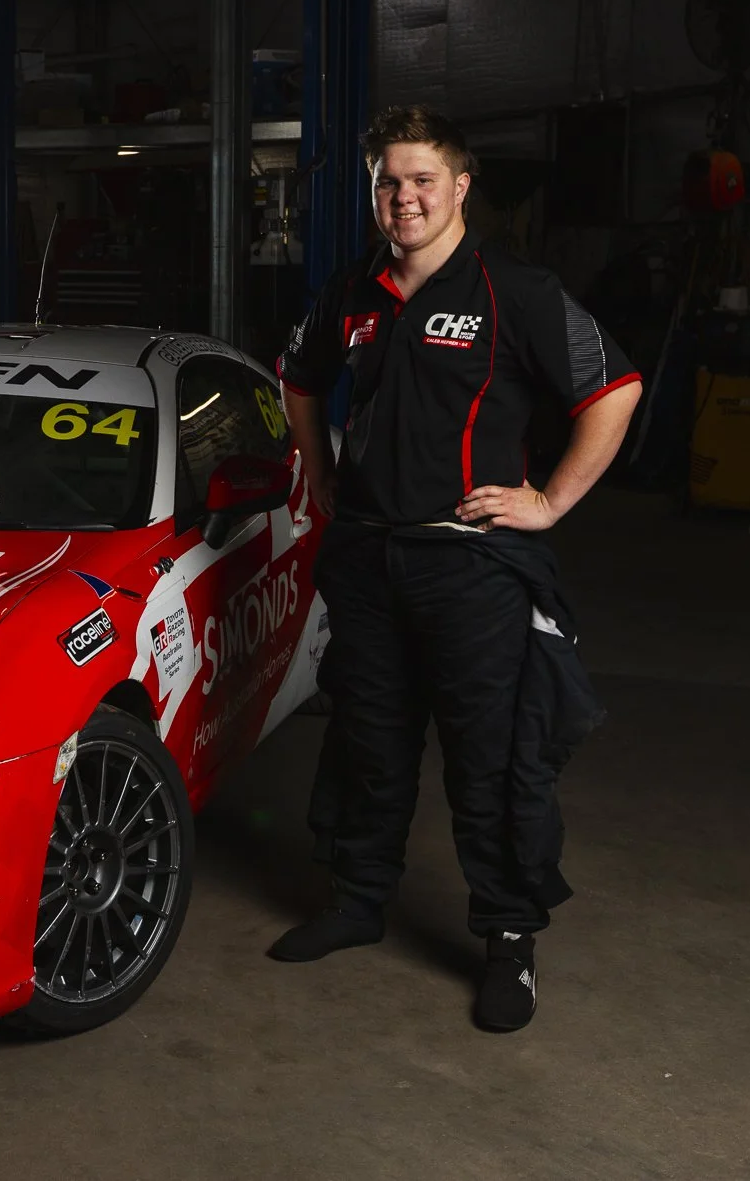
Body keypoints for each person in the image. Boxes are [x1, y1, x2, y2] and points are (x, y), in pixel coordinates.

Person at [273, 105, 642, 1032]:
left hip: (470, 565)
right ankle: (358, 901)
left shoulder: (513, 289)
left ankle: (509, 943)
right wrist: (318, 474)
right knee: (369, 741)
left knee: (490, 762)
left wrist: (548, 503)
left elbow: (615, 387)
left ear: (461, 188)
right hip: (366, 557)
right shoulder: (354, 289)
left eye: (422, 180)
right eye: (388, 182)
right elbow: (298, 375)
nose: (404, 197)